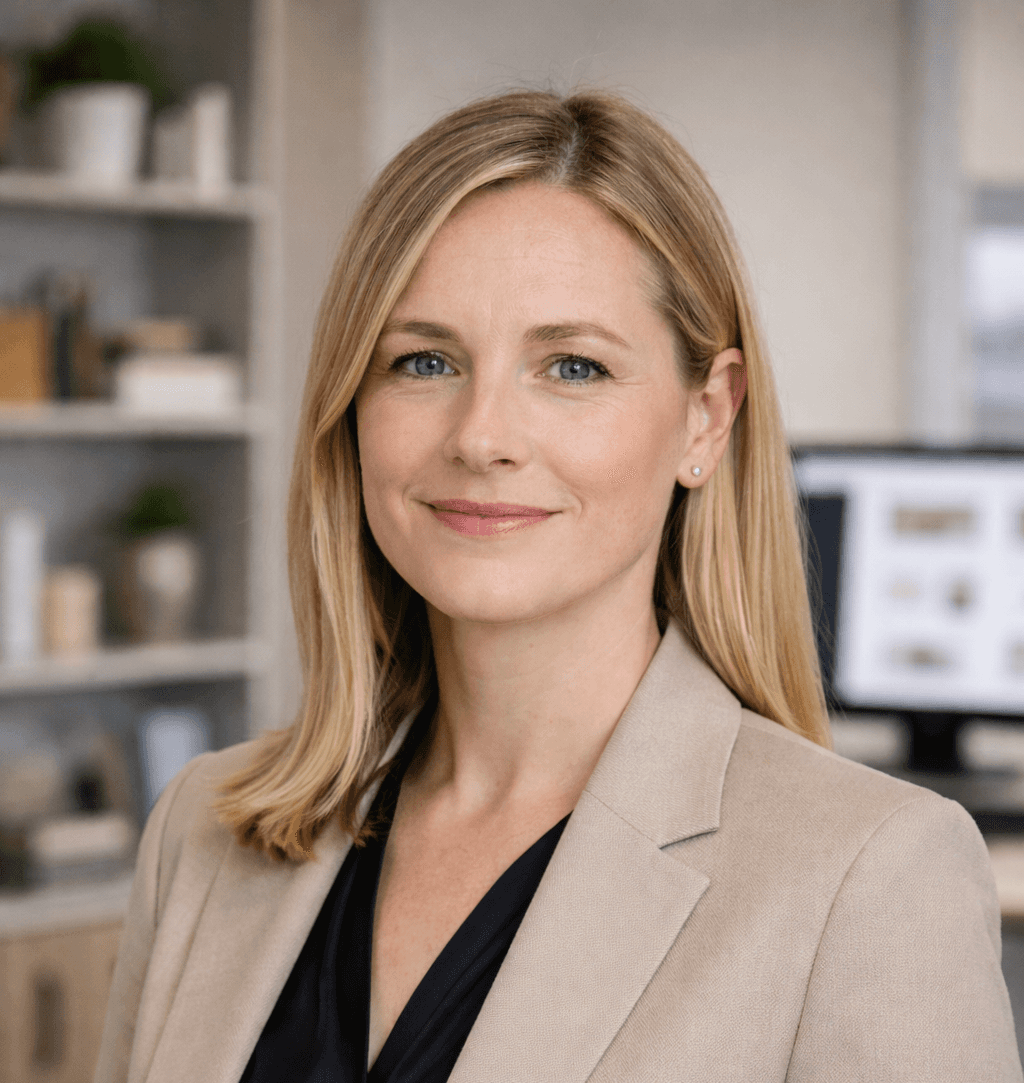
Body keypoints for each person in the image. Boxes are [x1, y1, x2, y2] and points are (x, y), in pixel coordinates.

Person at [95, 90, 1022, 1083]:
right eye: (423, 360)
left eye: (572, 367)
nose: (481, 436)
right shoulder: (201, 829)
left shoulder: (871, 875)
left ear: (707, 417)